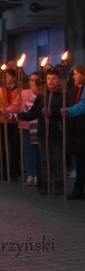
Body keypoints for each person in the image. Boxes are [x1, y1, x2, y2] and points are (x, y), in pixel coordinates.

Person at [17, 66, 66, 195]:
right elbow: (34, 112)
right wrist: (23, 116)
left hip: (57, 133)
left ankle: (59, 184)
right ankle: (45, 184)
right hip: (43, 133)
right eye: (49, 78)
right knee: (44, 159)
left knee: (57, 159)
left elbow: (65, 113)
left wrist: (52, 113)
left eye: (54, 78)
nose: (51, 81)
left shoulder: (63, 96)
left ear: (59, 80)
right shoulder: (41, 97)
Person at [0, 65, 22, 182]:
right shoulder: (0, 89)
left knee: (14, 148)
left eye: (8, 76)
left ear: (14, 78)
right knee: (2, 147)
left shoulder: (19, 90)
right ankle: (3, 171)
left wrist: (9, 110)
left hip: (14, 122)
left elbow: (18, 105)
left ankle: (14, 172)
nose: (6, 78)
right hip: (2, 121)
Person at [61, 65, 85, 199]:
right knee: (80, 161)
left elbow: (83, 105)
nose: (74, 76)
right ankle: (79, 188)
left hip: (82, 128)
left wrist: (69, 111)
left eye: (76, 74)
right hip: (76, 131)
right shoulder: (72, 91)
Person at [20, 74, 43, 187]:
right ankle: (30, 174)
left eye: (35, 81)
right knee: (28, 152)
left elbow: (33, 113)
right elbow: (24, 112)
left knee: (37, 153)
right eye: (31, 80)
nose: (32, 83)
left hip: (39, 129)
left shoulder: (43, 97)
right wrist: (11, 115)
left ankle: (38, 176)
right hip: (28, 128)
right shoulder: (28, 95)